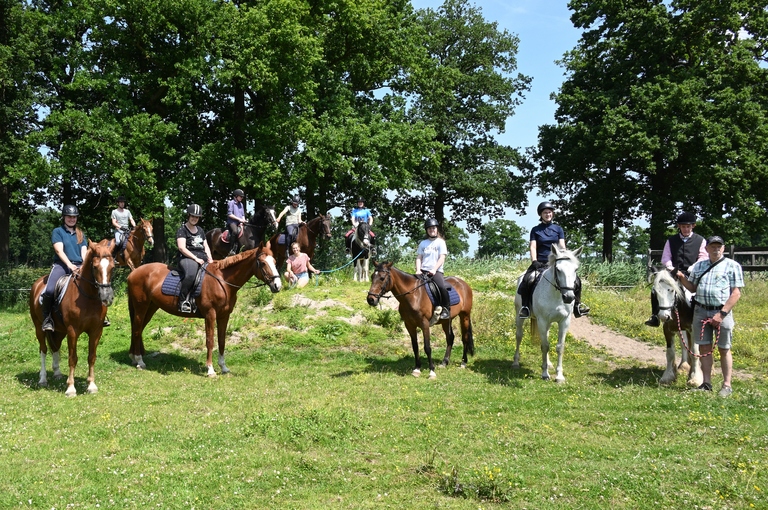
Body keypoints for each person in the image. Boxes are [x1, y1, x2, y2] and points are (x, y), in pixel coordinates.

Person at [677, 235, 743, 397]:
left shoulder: (732, 266)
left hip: (722, 312)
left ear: (723, 248)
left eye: (719, 246)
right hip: (700, 311)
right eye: (712, 246)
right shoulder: (699, 266)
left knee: (724, 348)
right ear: (706, 249)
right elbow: (692, 288)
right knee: (704, 348)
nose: (716, 249)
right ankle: (706, 383)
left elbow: (736, 293)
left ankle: (727, 385)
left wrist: (722, 314)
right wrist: (682, 278)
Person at [517, 201, 589, 319]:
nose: (548, 214)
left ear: (553, 214)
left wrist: (564, 259)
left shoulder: (558, 229)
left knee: (577, 281)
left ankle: (577, 306)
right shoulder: (535, 230)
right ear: (541, 215)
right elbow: (533, 247)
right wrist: (534, 261)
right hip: (540, 263)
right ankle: (525, 307)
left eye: (550, 212)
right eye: (545, 212)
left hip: (556, 262)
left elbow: (562, 246)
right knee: (527, 280)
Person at [645, 211, 708, 327]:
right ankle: (655, 316)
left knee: (698, 292)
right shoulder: (671, 240)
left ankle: (698, 318)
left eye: (688, 226)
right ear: (679, 226)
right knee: (655, 289)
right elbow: (666, 258)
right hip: (673, 273)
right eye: (683, 226)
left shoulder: (701, 240)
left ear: (693, 226)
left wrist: (693, 267)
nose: (686, 229)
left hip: (693, 272)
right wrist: (672, 268)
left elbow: (703, 257)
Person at [41, 205, 89, 332]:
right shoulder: (58, 231)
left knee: (95, 284)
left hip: (79, 265)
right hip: (62, 265)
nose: (72, 219)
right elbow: (59, 250)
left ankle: (99, 315)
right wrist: (69, 264)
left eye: (74, 217)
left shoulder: (80, 233)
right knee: (50, 290)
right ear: (64, 217)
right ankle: (47, 318)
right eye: (69, 217)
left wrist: (84, 265)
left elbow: (84, 252)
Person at [176, 204, 213, 313]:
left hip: (203, 258)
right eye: (193, 216)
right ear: (188, 215)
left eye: (197, 217)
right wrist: (196, 259)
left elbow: (206, 246)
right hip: (187, 258)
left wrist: (210, 259)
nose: (194, 219)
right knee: (191, 274)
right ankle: (183, 301)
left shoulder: (200, 230)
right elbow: (182, 248)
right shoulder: (182, 229)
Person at [415, 218, 450, 324]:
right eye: (429, 228)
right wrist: (418, 270)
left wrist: (434, 269)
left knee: (442, 286)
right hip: (423, 271)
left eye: (433, 228)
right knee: (411, 285)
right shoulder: (423, 243)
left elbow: (442, 258)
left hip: (436, 271)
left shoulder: (440, 242)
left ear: (437, 229)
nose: (431, 230)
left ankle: (446, 308)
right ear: (427, 230)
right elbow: (419, 258)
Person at [226, 189, 247, 255]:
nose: (242, 198)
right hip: (232, 222)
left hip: (239, 222)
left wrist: (243, 220)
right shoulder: (231, 203)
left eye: (242, 197)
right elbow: (230, 214)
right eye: (241, 196)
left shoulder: (241, 204)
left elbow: (242, 215)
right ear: (236, 196)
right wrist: (239, 219)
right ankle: (231, 249)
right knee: (235, 231)